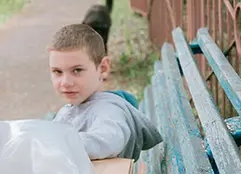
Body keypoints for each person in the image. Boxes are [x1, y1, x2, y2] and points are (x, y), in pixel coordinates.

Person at [48, 24, 163, 159]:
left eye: (77, 70)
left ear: (103, 68)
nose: (66, 82)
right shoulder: (73, 108)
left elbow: (107, 141)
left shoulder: (109, 111)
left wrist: (55, 144)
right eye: (57, 72)